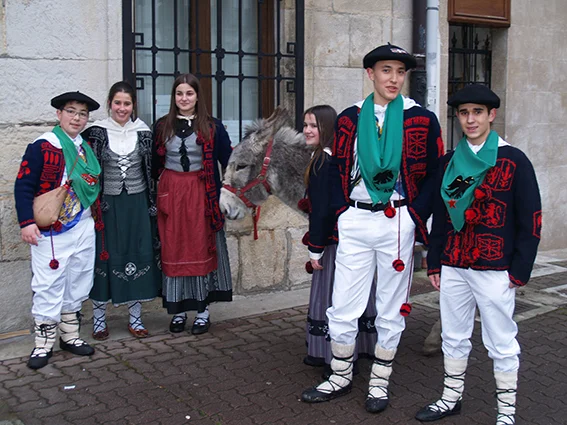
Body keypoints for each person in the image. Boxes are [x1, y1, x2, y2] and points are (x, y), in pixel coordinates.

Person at [301, 43, 443, 413]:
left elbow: (434, 174)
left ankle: (379, 382)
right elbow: (336, 172)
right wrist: (336, 221)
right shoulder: (349, 118)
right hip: (355, 218)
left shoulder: (421, 119)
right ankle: (340, 375)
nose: (394, 79)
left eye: (400, 71)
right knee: (343, 303)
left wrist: (415, 215)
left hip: (397, 222)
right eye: (386, 70)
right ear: (370, 74)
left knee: (391, 307)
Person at [415, 84, 542, 425]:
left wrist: (519, 270)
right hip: (454, 264)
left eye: (477, 112)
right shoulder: (448, 163)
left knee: (501, 340)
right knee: (453, 335)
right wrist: (435, 260)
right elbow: (440, 216)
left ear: (491, 115)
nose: (470, 120)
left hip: (495, 267)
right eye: (464, 113)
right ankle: (450, 397)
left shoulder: (514, 160)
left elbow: (531, 218)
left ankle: (506, 412)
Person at [15, 91, 101, 369]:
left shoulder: (85, 149)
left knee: (78, 280)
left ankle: (70, 335)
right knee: (48, 284)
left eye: (82, 114)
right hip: (52, 230)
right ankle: (43, 343)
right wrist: (27, 222)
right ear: (59, 114)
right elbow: (24, 185)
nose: (77, 118)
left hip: (82, 224)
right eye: (71, 111)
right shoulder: (43, 146)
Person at [152, 73, 233, 335]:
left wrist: (226, 194)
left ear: (197, 96)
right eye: (179, 93)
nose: (184, 98)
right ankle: (177, 311)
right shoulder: (162, 126)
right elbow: (154, 166)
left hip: (202, 193)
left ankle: (202, 311)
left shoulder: (213, 126)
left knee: (199, 246)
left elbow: (229, 163)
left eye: (189, 93)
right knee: (174, 248)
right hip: (172, 193)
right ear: (173, 97)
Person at [300, 105, 377, 375]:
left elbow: (322, 210)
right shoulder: (327, 157)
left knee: (335, 296)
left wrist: (315, 248)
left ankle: (335, 355)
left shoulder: (324, 161)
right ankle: (359, 346)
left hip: (334, 241)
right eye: (305, 125)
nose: (307, 130)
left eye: (313, 125)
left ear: (327, 128)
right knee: (353, 294)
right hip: (344, 237)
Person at [82, 81, 161, 340]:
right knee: (104, 255)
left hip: (138, 204)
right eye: (117, 102)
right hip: (107, 205)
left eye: (127, 103)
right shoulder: (96, 133)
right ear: (110, 104)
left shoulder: (144, 133)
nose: (122, 108)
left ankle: (135, 318)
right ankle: (99, 319)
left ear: (133, 105)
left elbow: (154, 170)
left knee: (136, 253)